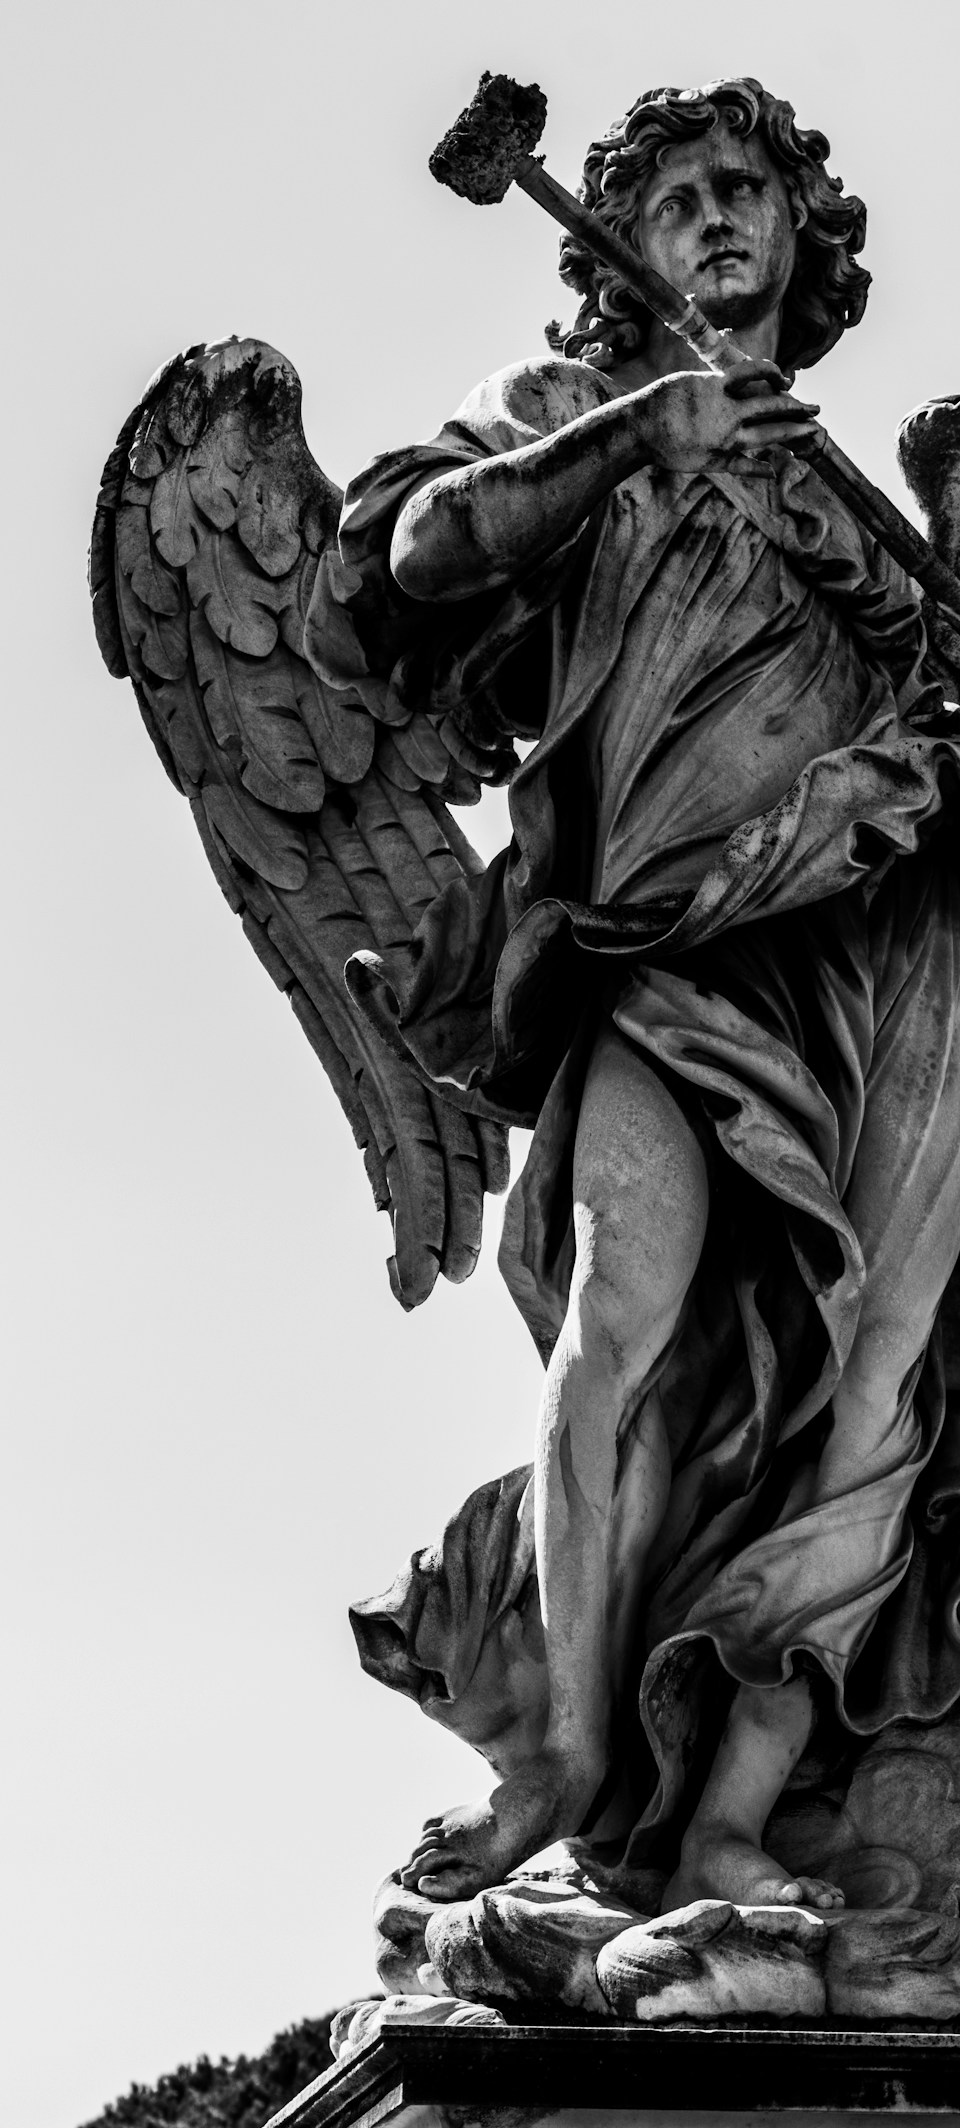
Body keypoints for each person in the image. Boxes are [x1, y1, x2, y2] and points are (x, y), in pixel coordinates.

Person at [335, 80, 960, 1910]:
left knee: (877, 1400)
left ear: (804, 233)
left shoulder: (864, 512)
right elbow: (413, 553)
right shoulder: (585, 418)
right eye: (674, 192)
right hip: (663, 949)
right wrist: (638, 433)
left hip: (878, 955)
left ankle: (736, 1821)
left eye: (744, 187)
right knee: (625, 1319)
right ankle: (580, 1752)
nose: (710, 216)